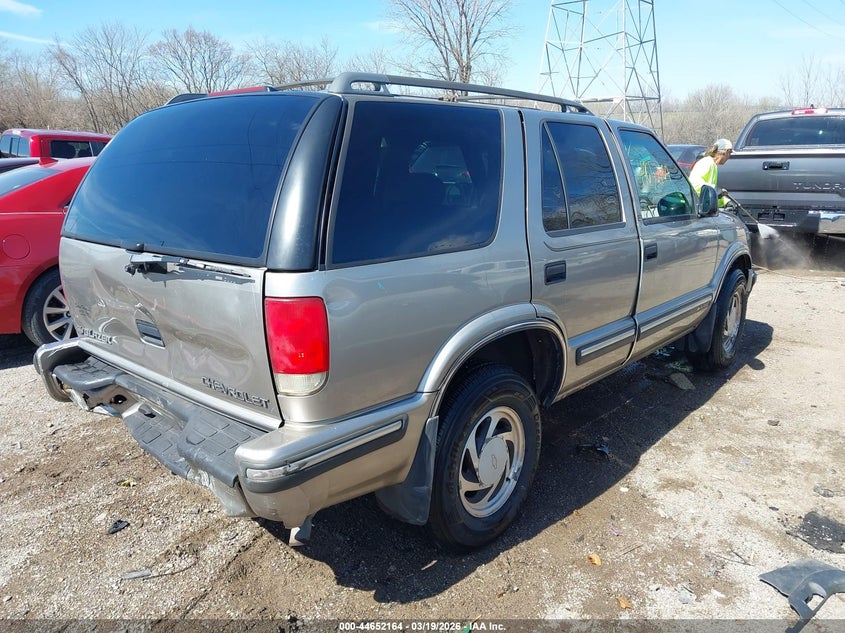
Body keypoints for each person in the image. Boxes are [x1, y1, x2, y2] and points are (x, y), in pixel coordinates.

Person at [689, 138, 733, 206]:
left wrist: (725, 202)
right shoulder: (707, 162)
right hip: (692, 207)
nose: (729, 156)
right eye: (730, 153)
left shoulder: (713, 165)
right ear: (725, 152)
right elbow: (694, 183)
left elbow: (712, 196)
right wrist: (716, 190)